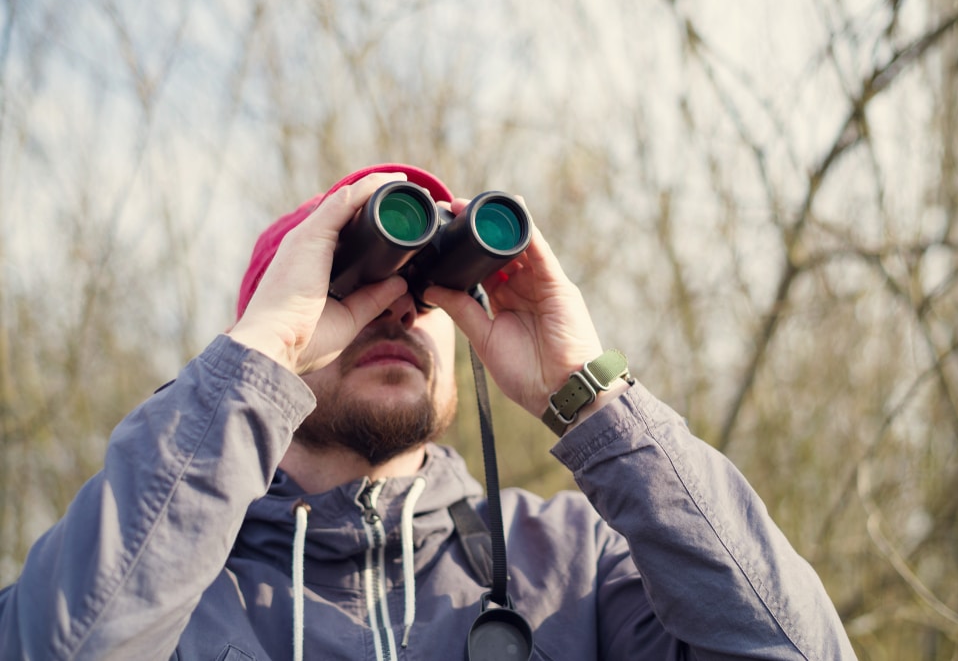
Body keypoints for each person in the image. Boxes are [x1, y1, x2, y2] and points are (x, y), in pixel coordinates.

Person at [0, 163, 856, 660]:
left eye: (428, 289)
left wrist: (593, 398)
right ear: (277, 335)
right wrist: (250, 363)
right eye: (355, 281)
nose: (401, 310)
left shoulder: (572, 567)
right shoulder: (170, 570)